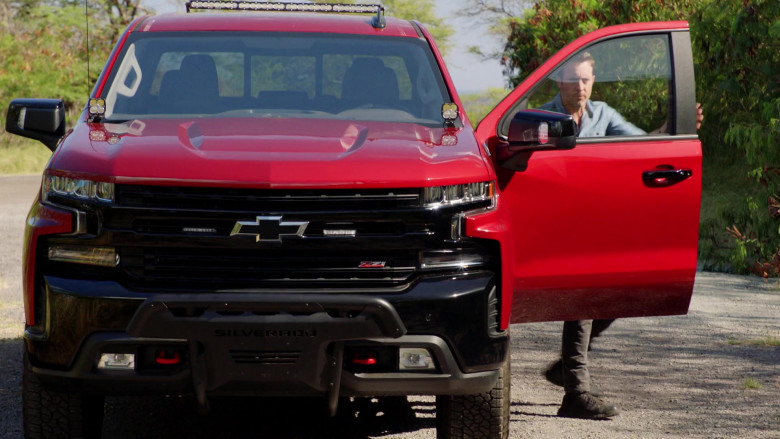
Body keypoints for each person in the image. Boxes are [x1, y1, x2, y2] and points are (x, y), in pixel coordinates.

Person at [538, 51, 704, 420]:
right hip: (553, 222)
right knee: (583, 298)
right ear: (559, 82)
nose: (580, 87)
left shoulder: (604, 114)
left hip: (594, 223)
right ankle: (576, 394)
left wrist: (672, 127)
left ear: (592, 82)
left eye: (586, 79)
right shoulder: (541, 118)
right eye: (574, 79)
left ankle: (566, 371)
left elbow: (641, 147)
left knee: (618, 290)